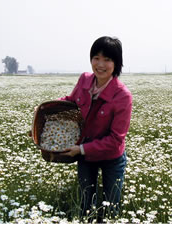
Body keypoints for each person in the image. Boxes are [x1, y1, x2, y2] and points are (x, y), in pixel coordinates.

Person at [58, 36, 132, 221]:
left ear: (116, 63)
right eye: (96, 58)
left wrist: (81, 148)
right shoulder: (85, 80)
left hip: (111, 158)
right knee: (86, 205)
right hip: (86, 155)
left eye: (107, 59)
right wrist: (47, 108)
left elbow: (116, 140)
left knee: (111, 206)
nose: (100, 64)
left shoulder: (123, 96)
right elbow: (70, 103)